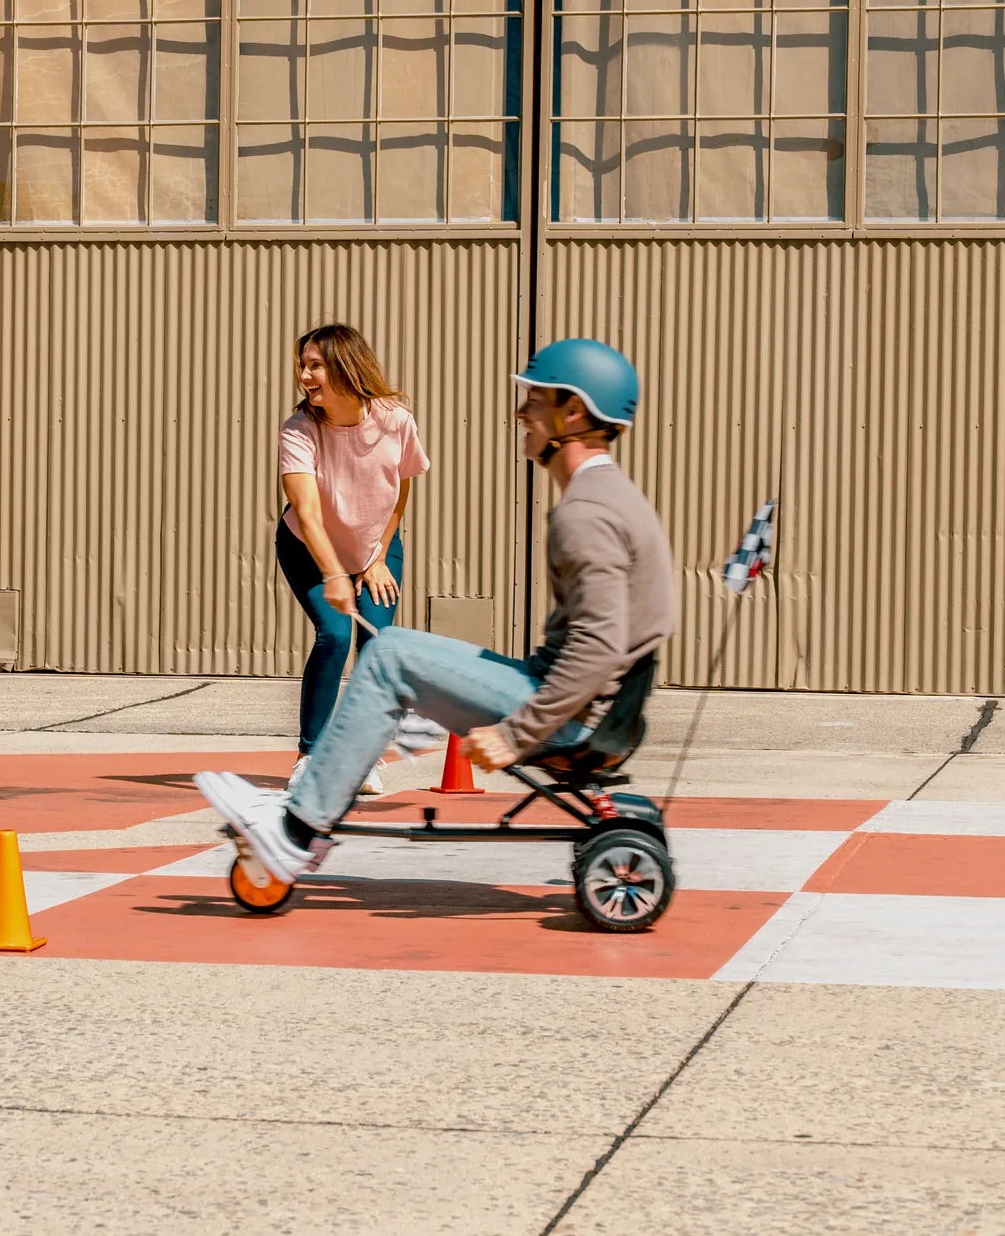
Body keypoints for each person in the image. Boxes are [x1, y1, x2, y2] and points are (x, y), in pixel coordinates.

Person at [198, 338, 676, 886]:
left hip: (567, 713)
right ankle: (392, 738)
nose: (521, 413)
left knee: (388, 655)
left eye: (535, 401)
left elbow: (599, 645)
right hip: (582, 706)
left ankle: (294, 832)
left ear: (572, 412)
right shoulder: (612, 496)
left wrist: (518, 734)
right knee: (396, 652)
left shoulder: (585, 513)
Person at [275, 325, 431, 798]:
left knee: (376, 645)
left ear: (345, 365)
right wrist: (333, 574)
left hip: (375, 550)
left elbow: (401, 489)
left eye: (315, 365)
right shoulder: (299, 431)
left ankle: (361, 757)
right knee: (335, 634)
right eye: (303, 365)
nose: (304, 375)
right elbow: (306, 511)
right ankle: (310, 756)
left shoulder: (395, 420)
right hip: (309, 548)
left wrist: (378, 555)